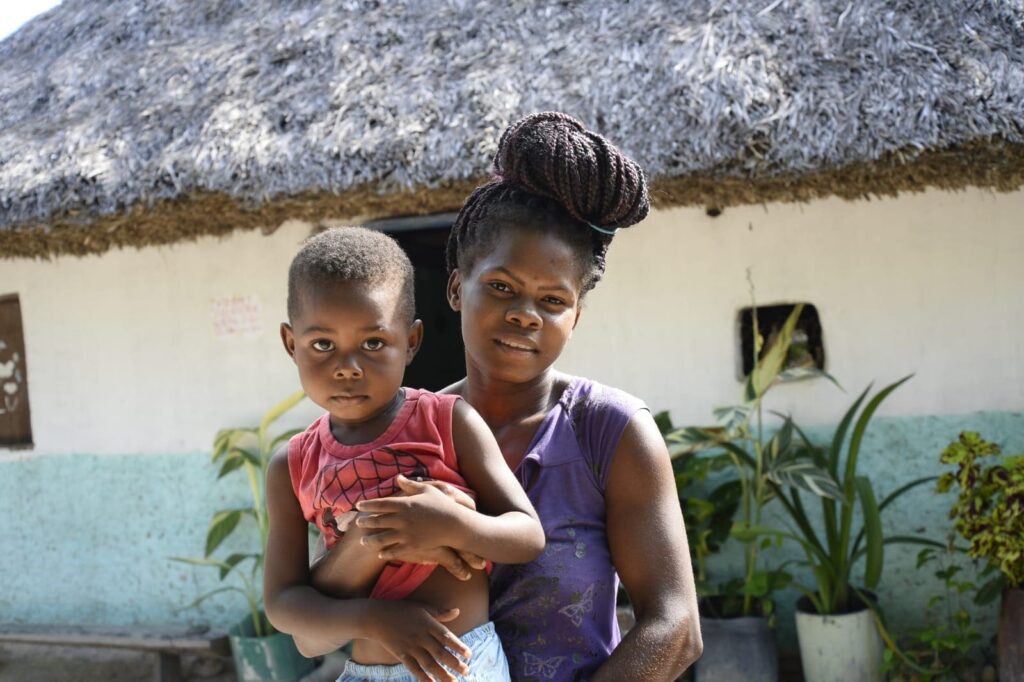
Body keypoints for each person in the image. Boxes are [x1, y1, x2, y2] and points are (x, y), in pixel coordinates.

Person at [333, 112, 704, 680]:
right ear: (457, 287)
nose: (524, 315)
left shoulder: (609, 432)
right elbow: (326, 609)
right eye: (502, 287)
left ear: (575, 316)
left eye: (553, 301)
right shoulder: (407, 433)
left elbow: (675, 628)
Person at [263, 226, 546, 682]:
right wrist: (374, 619)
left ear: (411, 342)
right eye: (322, 345)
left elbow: (527, 535)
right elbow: (284, 604)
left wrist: (454, 523)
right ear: (291, 344)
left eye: (373, 343)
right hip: (363, 671)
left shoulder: (448, 422)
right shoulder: (292, 464)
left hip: (461, 666)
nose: (347, 367)